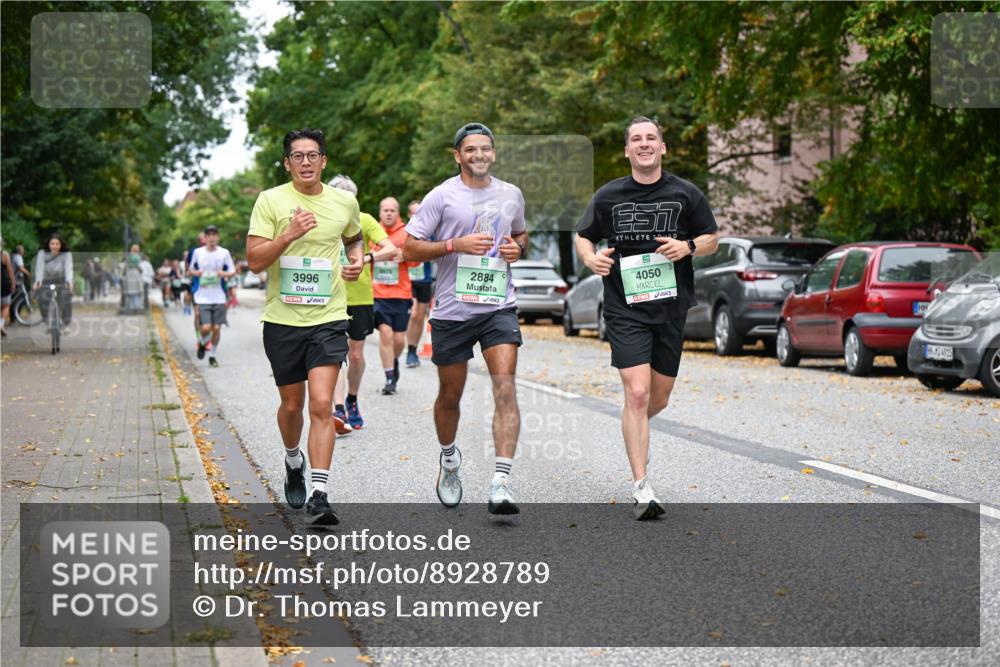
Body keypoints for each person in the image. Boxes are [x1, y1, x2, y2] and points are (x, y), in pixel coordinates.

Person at [575, 116, 720, 520]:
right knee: (636, 394)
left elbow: (712, 238)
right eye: (636, 139)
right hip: (625, 307)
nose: (643, 144)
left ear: (662, 147)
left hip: (671, 307)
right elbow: (583, 235)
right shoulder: (608, 196)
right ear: (626, 150)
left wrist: (688, 246)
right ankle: (642, 487)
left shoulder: (685, 193)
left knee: (658, 398)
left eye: (650, 138)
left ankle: (631, 424)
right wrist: (591, 258)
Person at [404, 122, 528, 515]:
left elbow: (521, 234)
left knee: (505, 388)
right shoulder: (441, 196)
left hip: (498, 306)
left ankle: (501, 482)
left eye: (486, 149)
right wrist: (452, 245)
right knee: (450, 395)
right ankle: (449, 459)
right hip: (453, 310)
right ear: (458, 155)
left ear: (493, 153)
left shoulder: (511, 194)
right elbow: (409, 247)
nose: (479, 155)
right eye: (471, 149)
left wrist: (515, 250)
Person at [246, 128, 364, 525]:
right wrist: (288, 235)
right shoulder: (270, 200)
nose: (307, 162)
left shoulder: (344, 201)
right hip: (282, 320)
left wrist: (357, 259)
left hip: (329, 317)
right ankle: (293, 459)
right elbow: (255, 261)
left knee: (320, 404)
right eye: (298, 156)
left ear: (324, 161)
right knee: (292, 405)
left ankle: (320, 494)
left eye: (313, 155)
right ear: (287, 163)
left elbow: (354, 238)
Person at [328, 175, 398, 431]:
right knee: (334, 355)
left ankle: (352, 400)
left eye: (349, 200)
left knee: (355, 355)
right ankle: (338, 410)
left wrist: (366, 259)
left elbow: (390, 248)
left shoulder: (365, 220)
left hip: (359, 297)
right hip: (329, 296)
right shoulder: (323, 220)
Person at [371, 197, 415, 395]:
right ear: (380, 213)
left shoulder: (407, 234)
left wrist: (406, 256)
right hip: (377, 294)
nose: (388, 213)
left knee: (399, 341)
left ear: (398, 213)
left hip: (401, 294)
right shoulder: (372, 232)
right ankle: (390, 378)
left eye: (392, 210)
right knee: (386, 334)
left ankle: (393, 361)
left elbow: (417, 262)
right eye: (385, 210)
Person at [190, 226, 235, 368]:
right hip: (202, 297)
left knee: (216, 328)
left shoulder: (224, 253)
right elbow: (191, 269)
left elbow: (233, 271)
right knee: (206, 328)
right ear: (204, 237)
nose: (211, 237)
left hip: (219, 296)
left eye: (214, 234)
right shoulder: (197, 252)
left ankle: (213, 356)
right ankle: (203, 344)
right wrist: (197, 273)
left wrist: (223, 274)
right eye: (208, 235)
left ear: (218, 237)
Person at [405, 199, 434, 368]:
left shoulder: (429, 232)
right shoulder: (405, 232)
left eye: (419, 212)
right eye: (413, 212)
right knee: (414, 314)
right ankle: (409, 349)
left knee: (420, 316)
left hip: (424, 279)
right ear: (409, 215)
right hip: (407, 281)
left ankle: (412, 350)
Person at [33, 233, 74, 328]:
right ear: (48, 244)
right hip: (46, 280)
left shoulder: (66, 254)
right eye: (52, 244)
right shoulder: (42, 253)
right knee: (42, 298)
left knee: (66, 299)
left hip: (61, 280)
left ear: (61, 245)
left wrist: (69, 282)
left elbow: (69, 268)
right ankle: (46, 320)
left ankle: (65, 324)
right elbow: (39, 268)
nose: (54, 246)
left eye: (57, 244)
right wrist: (38, 282)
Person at [1, 239, 15, 336]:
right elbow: (10, 270)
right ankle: (1, 324)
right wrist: (13, 282)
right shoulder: (4, 255)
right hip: (4, 284)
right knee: (6, 305)